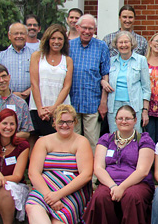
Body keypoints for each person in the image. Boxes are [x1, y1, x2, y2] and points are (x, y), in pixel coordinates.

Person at [14, 104, 93, 224]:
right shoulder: (43, 141)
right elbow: (34, 173)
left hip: (72, 189)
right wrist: (49, 195)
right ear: (54, 123)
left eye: (69, 122)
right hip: (46, 187)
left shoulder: (81, 142)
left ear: (75, 122)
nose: (65, 125)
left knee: (61, 218)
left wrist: (59, 195)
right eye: (61, 122)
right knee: (33, 205)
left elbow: (85, 174)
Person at [83, 105, 155, 224]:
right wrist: (112, 186)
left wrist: (122, 187)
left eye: (128, 118)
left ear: (135, 120)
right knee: (101, 197)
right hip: (110, 182)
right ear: (115, 120)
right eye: (120, 118)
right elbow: (98, 168)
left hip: (137, 182)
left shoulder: (144, 139)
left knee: (133, 196)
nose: (124, 121)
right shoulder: (106, 139)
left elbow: (142, 170)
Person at [69, 14, 111, 151]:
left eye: (91, 29)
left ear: (95, 29)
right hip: (72, 101)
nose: (87, 31)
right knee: (72, 141)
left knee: (92, 143)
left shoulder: (101, 46)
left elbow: (105, 74)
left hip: (92, 102)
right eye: (84, 28)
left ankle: (92, 172)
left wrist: (103, 102)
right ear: (77, 27)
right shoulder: (69, 46)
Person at [29, 24, 73, 138]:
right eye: (53, 38)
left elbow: (67, 86)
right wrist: (40, 108)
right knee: (38, 140)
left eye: (60, 39)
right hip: (39, 107)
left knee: (60, 139)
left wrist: (54, 108)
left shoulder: (67, 60)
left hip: (60, 108)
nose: (56, 41)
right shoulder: (37, 56)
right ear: (47, 39)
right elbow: (34, 83)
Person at [106, 31, 151, 133]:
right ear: (116, 45)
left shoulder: (141, 60)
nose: (123, 45)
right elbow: (104, 77)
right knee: (114, 135)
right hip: (114, 106)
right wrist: (103, 82)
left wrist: (145, 110)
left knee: (134, 136)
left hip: (134, 105)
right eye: (120, 42)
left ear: (132, 44)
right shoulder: (110, 61)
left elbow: (146, 88)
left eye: (126, 42)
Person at [0, 22, 35, 101]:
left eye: (22, 33)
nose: (19, 36)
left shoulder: (35, 55)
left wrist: (28, 92)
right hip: (7, 98)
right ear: (9, 36)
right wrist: (10, 93)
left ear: (26, 36)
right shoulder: (1, 56)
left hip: (31, 98)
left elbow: (40, 78)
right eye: (16, 33)